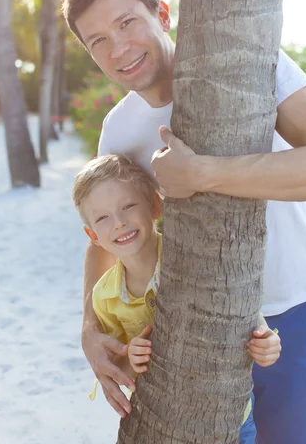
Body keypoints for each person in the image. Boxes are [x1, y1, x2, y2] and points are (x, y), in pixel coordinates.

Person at [62, 0, 306, 444]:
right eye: (99, 42)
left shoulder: (248, 63)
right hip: (195, 331)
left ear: (162, 13)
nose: (119, 49)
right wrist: (90, 329)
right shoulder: (118, 129)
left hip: (298, 312)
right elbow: (103, 240)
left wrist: (204, 174)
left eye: (127, 22)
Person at [72, 153, 281, 443]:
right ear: (93, 235)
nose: (118, 223)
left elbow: (239, 307)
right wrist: (131, 357)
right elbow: (116, 367)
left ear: (155, 206)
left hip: (229, 415)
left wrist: (267, 340)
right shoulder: (105, 298)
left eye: (128, 206)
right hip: (163, 423)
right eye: (103, 217)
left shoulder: (190, 257)